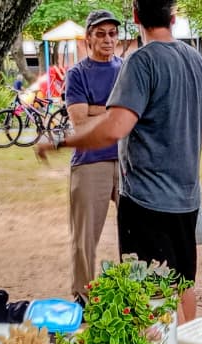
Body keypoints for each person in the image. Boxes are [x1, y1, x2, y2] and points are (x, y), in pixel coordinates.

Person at [37, 0, 202, 323]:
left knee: (151, 297)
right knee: (182, 284)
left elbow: (114, 128)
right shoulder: (196, 60)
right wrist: (179, 150)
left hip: (147, 202)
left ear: (135, 16)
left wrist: (60, 141)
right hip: (187, 199)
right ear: (174, 16)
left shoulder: (140, 60)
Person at [63, 9, 123, 303]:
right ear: (88, 38)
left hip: (127, 161)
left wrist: (95, 108)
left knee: (135, 232)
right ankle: (83, 297)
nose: (108, 39)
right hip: (90, 161)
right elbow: (79, 121)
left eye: (112, 33)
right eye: (100, 34)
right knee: (84, 237)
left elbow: (137, 112)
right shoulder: (77, 73)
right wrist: (114, 112)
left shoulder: (126, 69)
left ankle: (132, 292)